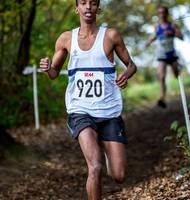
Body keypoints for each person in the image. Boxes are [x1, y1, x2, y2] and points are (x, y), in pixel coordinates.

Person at [40, 0, 137, 199]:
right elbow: (54, 73)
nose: (88, 7)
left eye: (93, 3)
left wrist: (126, 75)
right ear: (77, 9)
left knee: (118, 175)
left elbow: (131, 65)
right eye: (83, 3)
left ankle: (103, 141)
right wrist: (47, 67)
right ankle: (95, 143)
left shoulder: (111, 35)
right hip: (80, 110)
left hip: (109, 111)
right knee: (95, 166)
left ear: (98, 8)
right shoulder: (66, 38)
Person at [146, 5, 183, 108]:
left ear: (167, 13)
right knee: (161, 76)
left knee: (177, 75)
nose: (161, 14)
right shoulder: (157, 26)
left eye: (163, 12)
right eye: (159, 12)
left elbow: (181, 37)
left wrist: (173, 33)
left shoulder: (173, 25)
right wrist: (149, 41)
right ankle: (162, 98)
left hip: (171, 53)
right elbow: (154, 36)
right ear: (158, 14)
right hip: (161, 54)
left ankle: (178, 68)